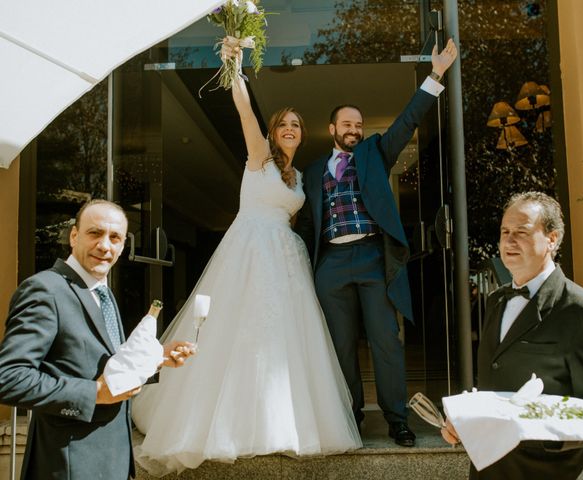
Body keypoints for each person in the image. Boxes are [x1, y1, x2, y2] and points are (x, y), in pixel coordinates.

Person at [131, 38, 362, 475]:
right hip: (251, 253)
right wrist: (234, 67)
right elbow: (245, 113)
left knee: (284, 343)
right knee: (242, 334)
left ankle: (285, 423)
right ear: (273, 133)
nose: (290, 128)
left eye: (296, 123)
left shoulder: (296, 177)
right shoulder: (260, 158)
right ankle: (230, 425)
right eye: (283, 124)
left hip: (286, 259)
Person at [294, 39, 458, 447]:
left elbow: (406, 122)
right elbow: (306, 224)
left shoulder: (374, 153)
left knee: (386, 340)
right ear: (332, 129)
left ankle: (396, 419)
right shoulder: (312, 172)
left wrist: (435, 76)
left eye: (358, 124)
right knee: (340, 346)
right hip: (330, 263)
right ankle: (348, 417)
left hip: (371, 257)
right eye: (346, 124)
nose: (354, 129)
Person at [0, 199, 195, 480]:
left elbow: (105, 366)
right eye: (95, 233)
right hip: (69, 465)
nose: (105, 246)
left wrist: (156, 359)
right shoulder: (45, 290)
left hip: (111, 462)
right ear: (74, 236)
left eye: (115, 237)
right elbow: (10, 378)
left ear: (122, 247)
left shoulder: (103, 292)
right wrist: (93, 394)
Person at [441, 191, 583, 479]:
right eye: (505, 231)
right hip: (490, 469)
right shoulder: (496, 301)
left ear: (552, 240)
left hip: (551, 472)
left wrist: (533, 428)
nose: (509, 240)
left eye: (521, 232)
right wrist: (469, 422)